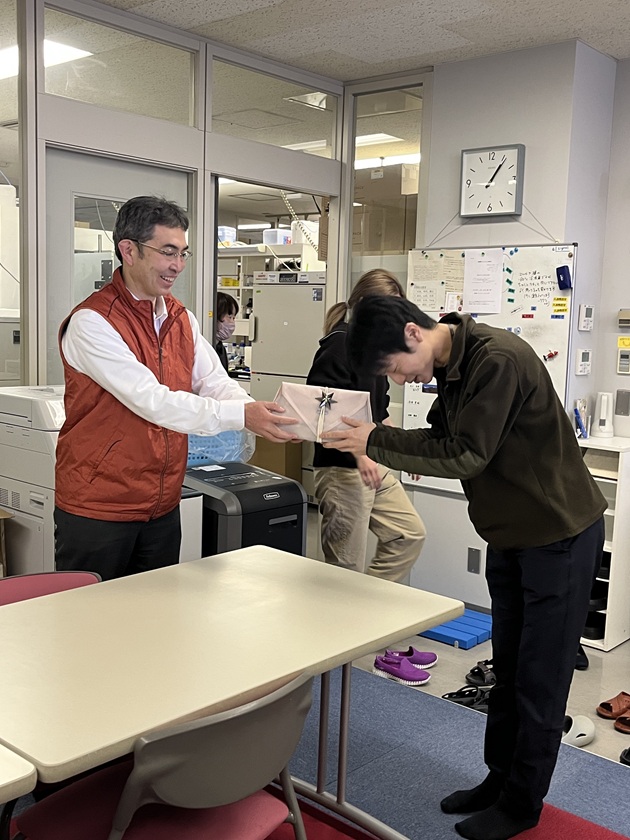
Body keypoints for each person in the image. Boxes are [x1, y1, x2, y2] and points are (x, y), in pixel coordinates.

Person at [322, 295, 606, 840]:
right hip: (513, 535)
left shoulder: (497, 359)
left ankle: (522, 804)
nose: (399, 380)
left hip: (559, 535)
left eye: (394, 367)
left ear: (413, 333)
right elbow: (439, 439)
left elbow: (465, 454)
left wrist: (374, 441)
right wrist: (373, 441)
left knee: (540, 681)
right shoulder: (453, 365)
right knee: (508, 670)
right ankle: (499, 781)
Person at [55, 195, 298, 581]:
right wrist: (241, 416)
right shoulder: (93, 322)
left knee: (157, 611)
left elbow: (213, 381)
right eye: (168, 252)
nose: (178, 266)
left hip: (162, 503)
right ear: (128, 251)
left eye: (183, 254)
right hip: (100, 506)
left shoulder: (180, 318)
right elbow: (152, 401)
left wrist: (258, 413)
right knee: (90, 614)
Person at [306, 269, 426, 583]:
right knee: (346, 568)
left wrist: (404, 452)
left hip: (372, 462)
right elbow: (323, 413)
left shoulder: (374, 350)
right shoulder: (339, 345)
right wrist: (361, 455)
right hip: (342, 469)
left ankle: (370, 599)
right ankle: (351, 608)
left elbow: (379, 413)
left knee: (408, 534)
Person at [214, 291, 239, 371]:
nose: (232, 322)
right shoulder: (202, 346)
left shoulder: (220, 348)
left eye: (233, 318)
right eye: (229, 317)